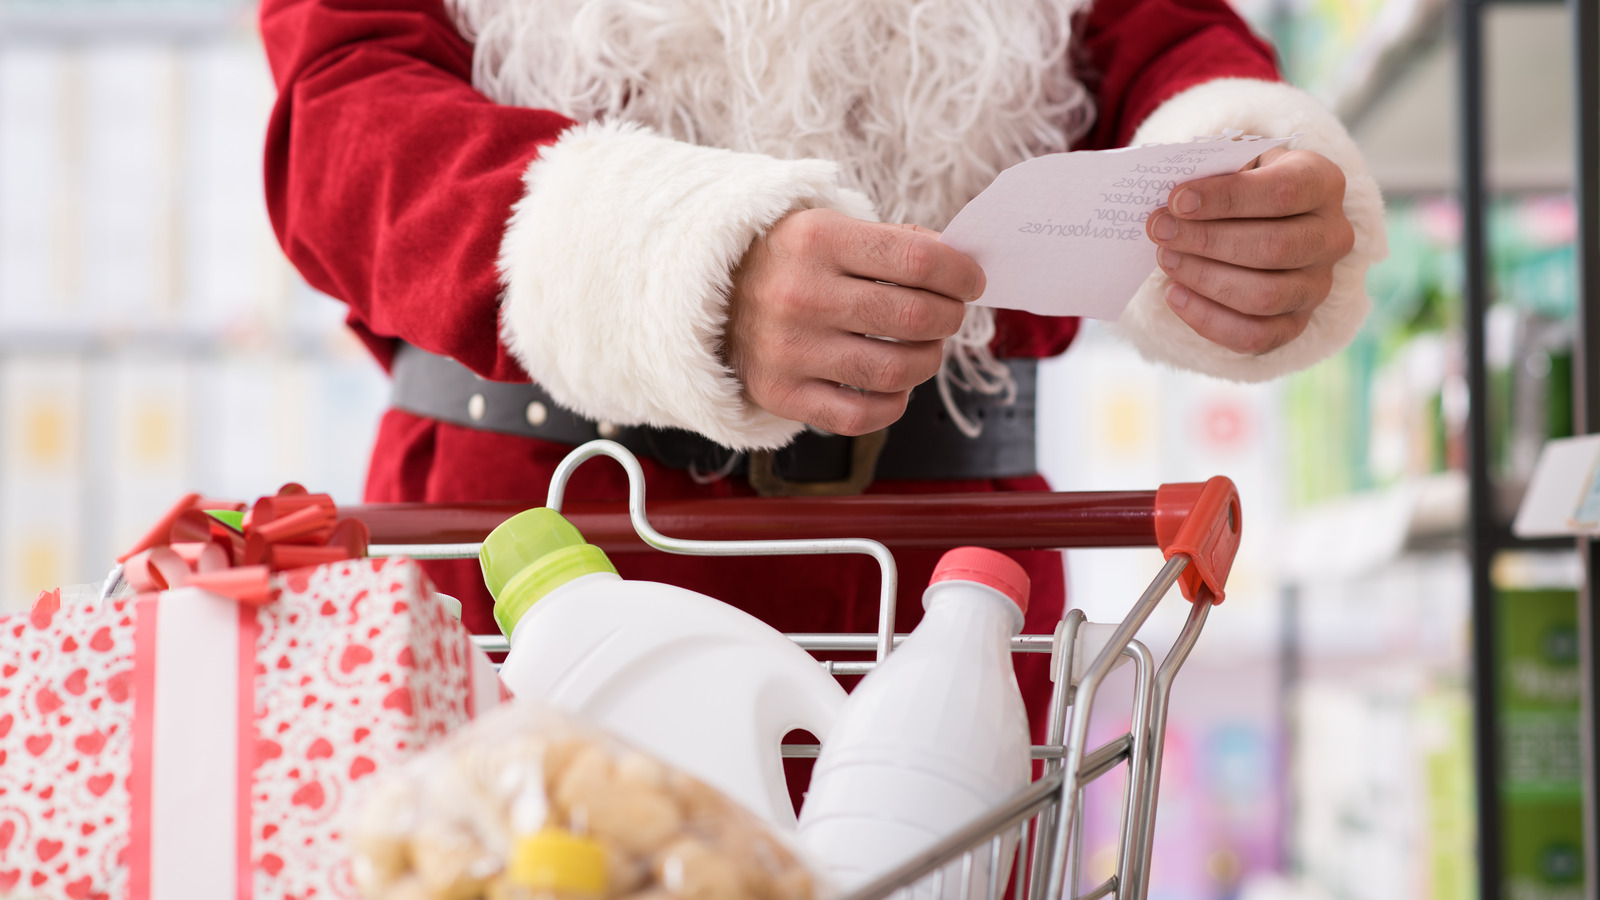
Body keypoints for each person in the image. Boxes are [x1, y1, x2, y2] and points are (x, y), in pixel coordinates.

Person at [258, 0, 1384, 744]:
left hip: (955, 580)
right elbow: (341, 113)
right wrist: (677, 262)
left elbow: (1166, 36)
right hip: (531, 547)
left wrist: (1234, 178)